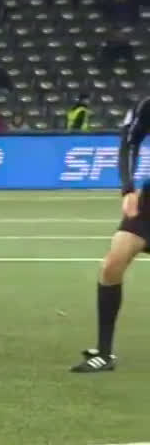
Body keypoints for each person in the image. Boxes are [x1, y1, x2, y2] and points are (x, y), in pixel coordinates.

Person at [73, 97, 150, 372]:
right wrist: (128, 188)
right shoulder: (147, 105)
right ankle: (104, 353)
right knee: (112, 265)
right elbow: (129, 142)